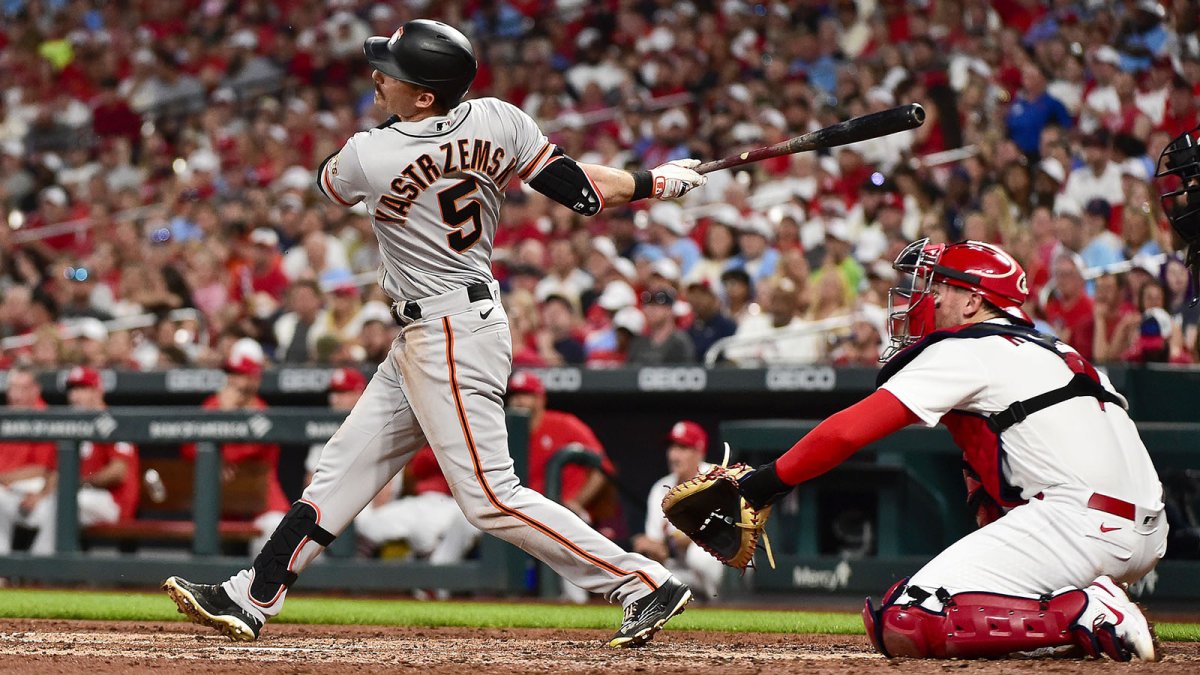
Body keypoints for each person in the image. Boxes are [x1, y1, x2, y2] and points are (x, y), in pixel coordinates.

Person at [164, 19, 702, 648]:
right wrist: (656, 181)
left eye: (391, 72)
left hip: (447, 330)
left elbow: (328, 184)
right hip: (441, 329)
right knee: (341, 470)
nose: (377, 77)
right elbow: (581, 192)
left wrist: (409, 142)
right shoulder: (499, 121)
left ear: (424, 95)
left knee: (489, 498)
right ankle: (253, 593)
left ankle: (641, 581)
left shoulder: (372, 153)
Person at [734, 240, 1165, 661]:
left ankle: (1086, 614)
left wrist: (761, 484)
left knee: (907, 617)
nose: (926, 298)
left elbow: (847, 432)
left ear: (973, 301)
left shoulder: (969, 346)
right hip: (1144, 531)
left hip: (1079, 525)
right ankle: (1084, 604)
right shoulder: (1061, 351)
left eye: (938, 287)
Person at [0, 367, 139, 555]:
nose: (75, 396)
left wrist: (77, 482)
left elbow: (118, 472)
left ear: (98, 391)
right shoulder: (74, 425)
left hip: (111, 501)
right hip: (78, 495)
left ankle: (42, 570)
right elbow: (55, 471)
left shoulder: (113, 421)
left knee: (64, 501)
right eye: (73, 390)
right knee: (19, 502)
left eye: (83, 389)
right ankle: (12, 567)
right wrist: (42, 494)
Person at [181, 341, 290, 556]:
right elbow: (187, 449)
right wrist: (221, 414)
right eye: (232, 373)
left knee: (277, 528)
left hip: (259, 502)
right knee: (203, 526)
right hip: (222, 501)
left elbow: (246, 454)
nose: (234, 380)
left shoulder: (262, 412)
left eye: (241, 374)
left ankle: (261, 588)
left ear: (255, 380)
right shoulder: (213, 405)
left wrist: (227, 418)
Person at [632, 421, 726, 600]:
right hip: (684, 569)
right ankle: (691, 611)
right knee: (646, 574)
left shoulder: (716, 479)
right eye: (672, 447)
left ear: (699, 452)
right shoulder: (660, 488)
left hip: (724, 566)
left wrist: (671, 543)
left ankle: (726, 606)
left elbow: (713, 534)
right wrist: (653, 549)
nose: (674, 455)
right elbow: (657, 547)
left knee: (699, 555)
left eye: (683, 448)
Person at [0, 368, 58, 555]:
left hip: (39, 495)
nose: (15, 396)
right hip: (8, 492)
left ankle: (41, 574)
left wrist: (41, 495)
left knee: (58, 508)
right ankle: (3, 569)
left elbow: (45, 469)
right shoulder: (6, 416)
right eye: (12, 389)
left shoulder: (47, 418)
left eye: (22, 389)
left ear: (35, 390)